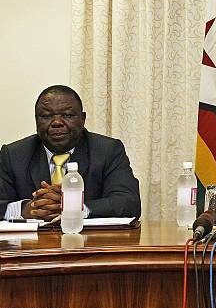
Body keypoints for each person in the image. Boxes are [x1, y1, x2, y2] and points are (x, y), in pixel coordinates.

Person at [0, 85, 141, 220]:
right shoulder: (13, 155)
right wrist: (26, 209)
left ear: (83, 119)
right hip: (32, 243)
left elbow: (129, 203)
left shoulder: (108, 150)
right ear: (36, 120)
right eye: (46, 116)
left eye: (67, 115)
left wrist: (72, 207)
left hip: (89, 242)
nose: (56, 122)